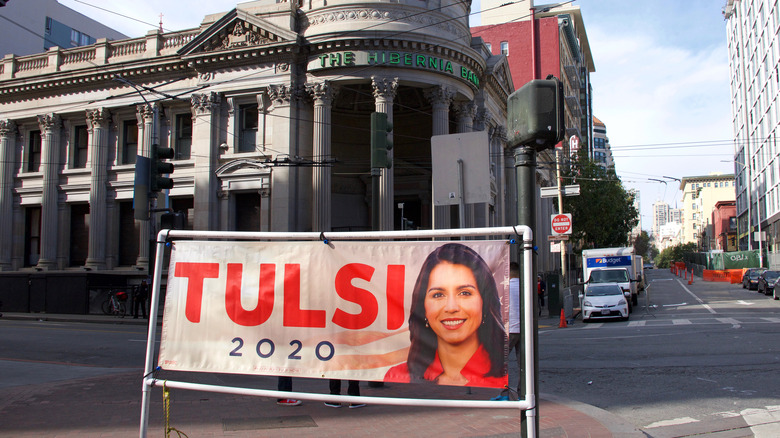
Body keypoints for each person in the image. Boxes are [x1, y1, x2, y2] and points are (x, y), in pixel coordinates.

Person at [384, 243, 507, 387]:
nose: (451, 307)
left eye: (464, 293)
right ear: (423, 307)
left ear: (484, 302)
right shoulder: (399, 376)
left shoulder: (504, 379)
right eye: (438, 295)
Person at [493, 262, 521, 401]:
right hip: (525, 330)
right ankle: (523, 394)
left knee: (501, 361)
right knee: (524, 364)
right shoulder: (525, 286)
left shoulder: (505, 287)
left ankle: (504, 393)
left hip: (509, 329)